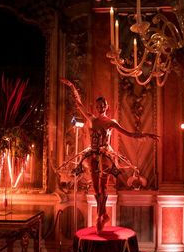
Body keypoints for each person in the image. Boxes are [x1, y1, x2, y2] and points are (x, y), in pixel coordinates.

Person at [61, 79, 159, 233]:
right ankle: (103, 214)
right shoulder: (92, 119)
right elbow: (79, 105)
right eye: (98, 106)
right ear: (96, 107)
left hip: (105, 156)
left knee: (102, 186)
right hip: (92, 155)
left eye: (102, 105)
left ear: (106, 107)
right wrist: (72, 87)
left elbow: (130, 134)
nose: (100, 108)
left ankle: (101, 216)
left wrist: (146, 134)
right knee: (95, 188)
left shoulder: (111, 122)